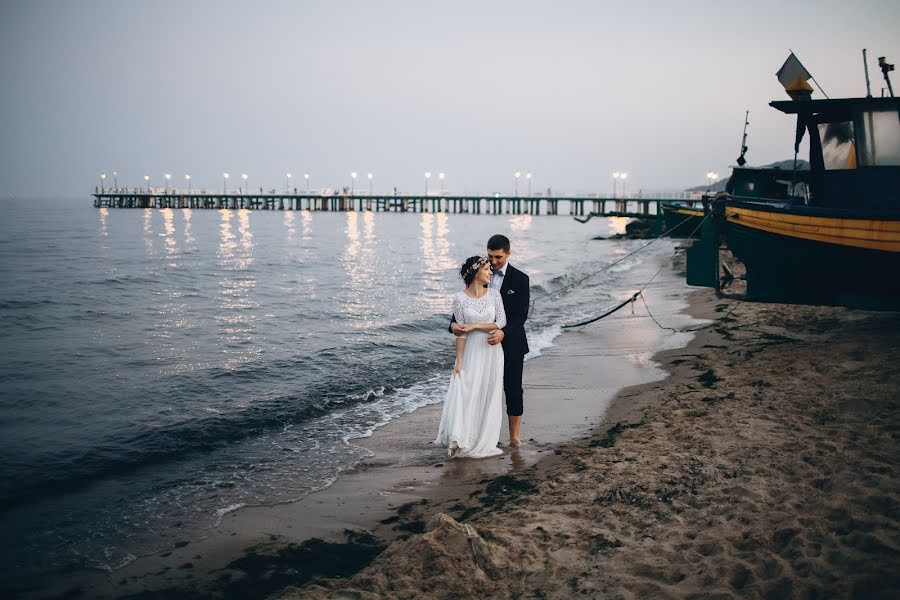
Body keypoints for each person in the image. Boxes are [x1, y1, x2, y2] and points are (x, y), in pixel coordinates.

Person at [451, 234, 530, 447]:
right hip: (481, 347)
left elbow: (520, 316)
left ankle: (514, 437)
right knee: (480, 389)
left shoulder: (521, 279)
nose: (493, 262)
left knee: (513, 389)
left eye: (498, 257)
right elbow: (460, 315)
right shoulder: (480, 275)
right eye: (490, 257)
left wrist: (504, 332)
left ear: (508, 254)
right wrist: (453, 327)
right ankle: (478, 434)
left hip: (512, 343)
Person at [434, 256, 507, 458]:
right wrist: (459, 361)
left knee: (488, 393)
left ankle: (485, 438)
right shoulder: (459, 298)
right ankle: (466, 437)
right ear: (476, 272)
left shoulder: (494, 295)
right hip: (471, 352)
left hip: (491, 351)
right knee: (469, 391)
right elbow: (460, 333)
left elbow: (500, 322)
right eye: (487, 270)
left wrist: (475, 325)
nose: (491, 273)